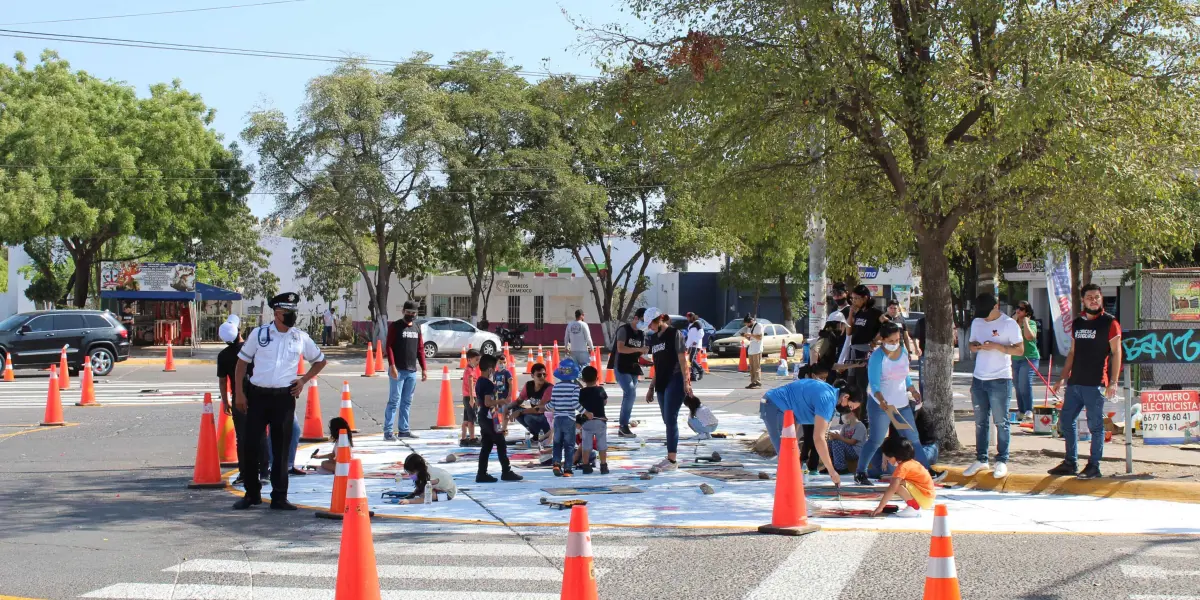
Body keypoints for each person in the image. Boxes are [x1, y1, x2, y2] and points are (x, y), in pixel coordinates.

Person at [232, 292, 327, 511]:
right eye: (287, 313)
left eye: (293, 312)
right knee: (251, 446)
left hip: (284, 398)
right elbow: (241, 364)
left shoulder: (300, 337)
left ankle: (279, 496)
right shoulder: (260, 334)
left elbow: (320, 361)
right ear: (276, 313)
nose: (292, 316)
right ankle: (251, 494)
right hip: (257, 395)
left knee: (281, 449)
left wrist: (303, 380)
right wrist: (239, 393)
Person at [1049, 283, 1122, 480]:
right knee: (1066, 420)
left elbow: (1116, 352)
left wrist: (1113, 382)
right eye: (1090, 297)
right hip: (1075, 383)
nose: (1094, 300)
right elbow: (1072, 352)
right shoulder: (1078, 323)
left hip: (1096, 383)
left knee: (1095, 426)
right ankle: (1070, 462)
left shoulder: (1110, 322)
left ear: (1101, 299)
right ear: (1083, 300)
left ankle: (1094, 466)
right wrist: (1062, 378)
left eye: (1097, 297)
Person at [857, 321, 931, 486]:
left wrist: (912, 390)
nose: (894, 344)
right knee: (876, 440)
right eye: (891, 341)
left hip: (901, 404)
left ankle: (926, 471)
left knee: (913, 437)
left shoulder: (903, 351)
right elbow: (874, 383)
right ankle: (860, 472)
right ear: (882, 339)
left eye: (897, 340)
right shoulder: (877, 356)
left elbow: (905, 375)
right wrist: (882, 400)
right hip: (881, 405)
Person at [760, 377, 864, 485]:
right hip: (774, 405)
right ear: (846, 397)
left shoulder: (828, 392)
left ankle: (789, 484)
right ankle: (787, 489)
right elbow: (819, 438)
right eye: (850, 407)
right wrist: (832, 471)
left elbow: (797, 406)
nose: (848, 410)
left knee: (790, 452)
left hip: (778, 406)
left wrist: (793, 441)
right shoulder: (827, 400)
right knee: (786, 453)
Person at [965, 293, 1023, 479]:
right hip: (979, 378)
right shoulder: (977, 322)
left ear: (996, 305)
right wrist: (976, 347)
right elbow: (971, 344)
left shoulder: (1009, 324)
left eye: (987, 312)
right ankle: (981, 459)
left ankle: (1002, 460)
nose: (984, 316)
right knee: (981, 422)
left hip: (1000, 378)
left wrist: (998, 347)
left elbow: (1020, 349)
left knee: (1001, 421)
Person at [643, 308, 694, 473]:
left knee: (671, 418)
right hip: (662, 382)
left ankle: (672, 459)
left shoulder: (674, 334)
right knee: (667, 419)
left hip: (675, 378)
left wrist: (687, 382)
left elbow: (682, 359)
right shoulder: (654, 339)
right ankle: (670, 456)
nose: (649, 327)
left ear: (659, 320)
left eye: (650, 323)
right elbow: (657, 366)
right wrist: (651, 387)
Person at [217, 316, 265, 486]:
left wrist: (225, 401)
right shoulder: (251, 349)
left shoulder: (223, 355)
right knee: (261, 435)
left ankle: (244, 473)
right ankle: (264, 472)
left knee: (242, 437)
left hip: (238, 398)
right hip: (257, 395)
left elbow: (223, 381)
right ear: (239, 332)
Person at [474, 354, 523, 483]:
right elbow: (487, 402)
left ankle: (482, 473)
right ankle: (506, 471)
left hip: (483, 416)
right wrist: (500, 401)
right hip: (489, 417)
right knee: (500, 442)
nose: (495, 370)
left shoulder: (479, 381)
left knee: (487, 445)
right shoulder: (488, 384)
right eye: (494, 368)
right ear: (490, 369)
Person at [385, 300, 428, 441]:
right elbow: (389, 346)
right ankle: (388, 432)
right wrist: (392, 366)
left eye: (413, 313)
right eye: (408, 312)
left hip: (411, 371)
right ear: (403, 311)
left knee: (407, 402)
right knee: (394, 401)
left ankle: (404, 430)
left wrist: (424, 369)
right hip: (398, 370)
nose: (411, 315)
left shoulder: (416, 328)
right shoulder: (396, 326)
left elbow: (420, 349)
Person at [871, 437, 936, 518]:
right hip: (928, 498)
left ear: (896, 456)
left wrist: (880, 507)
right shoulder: (911, 463)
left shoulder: (902, 467)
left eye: (888, 458)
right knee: (898, 483)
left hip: (925, 499)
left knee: (896, 486)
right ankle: (913, 506)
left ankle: (914, 507)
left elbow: (892, 488)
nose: (888, 461)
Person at [610, 308, 648, 438]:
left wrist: (645, 354)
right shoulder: (624, 330)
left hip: (633, 367)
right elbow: (621, 348)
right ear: (636, 318)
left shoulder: (642, 333)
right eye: (643, 320)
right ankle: (623, 426)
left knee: (630, 395)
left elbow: (640, 352)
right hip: (621, 366)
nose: (644, 324)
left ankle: (624, 423)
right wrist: (638, 349)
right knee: (630, 392)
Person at [843, 284, 884, 393]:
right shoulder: (859, 312)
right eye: (853, 298)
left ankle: (862, 409)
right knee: (851, 384)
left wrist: (875, 340)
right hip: (854, 351)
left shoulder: (876, 313)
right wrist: (851, 313)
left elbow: (887, 326)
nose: (854, 301)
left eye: (856, 298)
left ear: (865, 298)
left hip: (865, 352)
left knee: (861, 385)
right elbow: (848, 331)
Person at [548, 357, 583, 477]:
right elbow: (575, 403)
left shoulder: (556, 387)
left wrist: (542, 407)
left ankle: (556, 463)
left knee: (557, 443)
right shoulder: (575, 388)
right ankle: (567, 469)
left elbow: (552, 404)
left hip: (557, 418)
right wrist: (585, 412)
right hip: (569, 418)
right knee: (569, 444)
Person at [578, 366, 609, 475]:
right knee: (602, 444)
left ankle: (586, 465)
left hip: (587, 422)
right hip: (600, 420)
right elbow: (605, 401)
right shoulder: (600, 389)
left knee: (586, 445)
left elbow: (579, 405)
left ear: (583, 379)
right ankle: (603, 465)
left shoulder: (581, 392)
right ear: (597, 378)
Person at [1013, 301, 1041, 420]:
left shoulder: (1031, 323)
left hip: (1029, 358)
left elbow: (1029, 337)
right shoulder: (1012, 323)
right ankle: (1021, 410)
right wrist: (1013, 322)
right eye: (1017, 308)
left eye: (1021, 309)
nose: (1018, 310)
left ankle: (1029, 409)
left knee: (1025, 384)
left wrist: (1025, 322)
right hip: (1015, 358)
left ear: (1027, 312)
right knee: (1018, 385)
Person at [513, 363, 552, 442]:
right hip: (537, 414)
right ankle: (536, 434)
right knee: (514, 409)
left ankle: (545, 434)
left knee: (528, 417)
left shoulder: (549, 388)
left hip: (547, 417)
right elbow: (518, 401)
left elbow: (539, 409)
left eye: (544, 374)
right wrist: (506, 408)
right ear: (532, 375)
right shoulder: (528, 385)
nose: (542, 377)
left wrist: (521, 412)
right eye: (539, 375)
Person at [827, 402, 866, 473]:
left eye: (844, 413)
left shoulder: (860, 426)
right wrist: (834, 437)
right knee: (830, 442)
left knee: (837, 442)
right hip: (847, 449)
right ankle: (831, 466)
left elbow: (853, 442)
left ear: (851, 413)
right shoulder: (846, 426)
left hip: (856, 451)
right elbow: (841, 438)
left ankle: (841, 468)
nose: (843, 416)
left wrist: (838, 438)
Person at [737, 314, 766, 389]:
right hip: (751, 349)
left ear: (751, 321)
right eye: (746, 324)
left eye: (748, 323)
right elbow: (751, 339)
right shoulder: (749, 328)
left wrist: (750, 334)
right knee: (752, 368)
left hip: (757, 349)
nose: (747, 325)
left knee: (756, 367)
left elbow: (759, 337)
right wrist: (745, 336)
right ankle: (753, 382)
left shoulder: (759, 326)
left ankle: (758, 382)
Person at [460, 349, 481, 447]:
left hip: (466, 397)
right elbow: (470, 385)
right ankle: (472, 438)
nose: (478, 362)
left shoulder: (469, 369)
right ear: (469, 360)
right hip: (470, 397)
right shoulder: (470, 371)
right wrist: (472, 399)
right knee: (471, 419)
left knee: (466, 419)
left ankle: (463, 438)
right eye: (476, 360)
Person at [492, 353, 514, 433]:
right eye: (500, 363)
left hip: (505, 396)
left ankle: (504, 429)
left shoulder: (507, 373)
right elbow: (493, 384)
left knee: (505, 413)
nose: (502, 364)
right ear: (496, 363)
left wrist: (509, 396)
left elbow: (511, 384)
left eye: (504, 362)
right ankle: (498, 427)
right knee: (497, 413)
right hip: (498, 397)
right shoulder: (495, 373)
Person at [685, 312, 705, 381]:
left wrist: (696, 341)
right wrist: (687, 345)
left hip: (696, 345)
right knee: (692, 359)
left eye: (688, 317)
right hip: (691, 345)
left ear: (691, 317)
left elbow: (701, 333)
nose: (687, 319)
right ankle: (693, 375)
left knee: (691, 359)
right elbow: (690, 336)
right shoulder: (691, 325)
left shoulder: (697, 323)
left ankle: (700, 370)